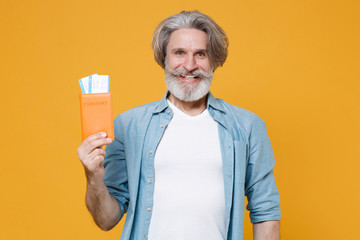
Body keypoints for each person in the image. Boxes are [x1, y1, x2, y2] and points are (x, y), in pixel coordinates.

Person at [77, 10, 281, 240]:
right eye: (179, 53)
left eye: (201, 54)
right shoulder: (128, 125)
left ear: (213, 60)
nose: (190, 65)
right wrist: (93, 175)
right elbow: (106, 220)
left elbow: (266, 211)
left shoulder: (247, 126)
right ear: (164, 58)